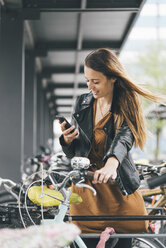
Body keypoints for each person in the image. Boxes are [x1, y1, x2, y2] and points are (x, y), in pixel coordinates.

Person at [59, 48, 165, 248]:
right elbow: (76, 152)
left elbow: (125, 138)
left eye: (96, 81)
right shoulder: (82, 102)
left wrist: (111, 164)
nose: (90, 86)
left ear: (113, 78)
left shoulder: (127, 102)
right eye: (87, 80)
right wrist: (67, 140)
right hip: (85, 194)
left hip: (118, 193)